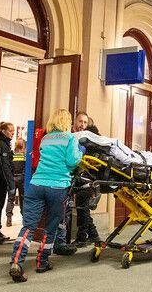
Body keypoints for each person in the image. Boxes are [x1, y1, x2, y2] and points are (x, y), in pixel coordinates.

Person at [9, 109, 84, 282]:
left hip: (36, 185)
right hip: (57, 187)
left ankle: (16, 262)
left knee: (28, 227)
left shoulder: (45, 138)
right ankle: (42, 262)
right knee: (50, 227)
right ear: (66, 121)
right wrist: (80, 152)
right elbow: (72, 162)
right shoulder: (70, 138)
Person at [53, 111, 100, 253]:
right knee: (82, 207)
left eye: (85, 122)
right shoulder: (72, 137)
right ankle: (94, 236)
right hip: (77, 176)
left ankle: (82, 237)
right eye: (80, 121)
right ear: (75, 122)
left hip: (88, 176)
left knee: (82, 207)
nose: (82, 125)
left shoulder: (90, 138)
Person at [0, 122, 15, 244]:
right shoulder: (1, 145)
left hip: (1, 181)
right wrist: (11, 183)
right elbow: (4, 166)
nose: (12, 133)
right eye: (10, 131)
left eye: (13, 131)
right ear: (3, 131)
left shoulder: (4, 144)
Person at [6, 138, 26, 227]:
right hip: (21, 179)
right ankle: (24, 218)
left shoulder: (11, 154)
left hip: (12, 179)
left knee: (10, 199)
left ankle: (9, 218)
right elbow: (25, 169)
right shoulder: (24, 156)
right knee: (22, 199)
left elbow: (9, 166)